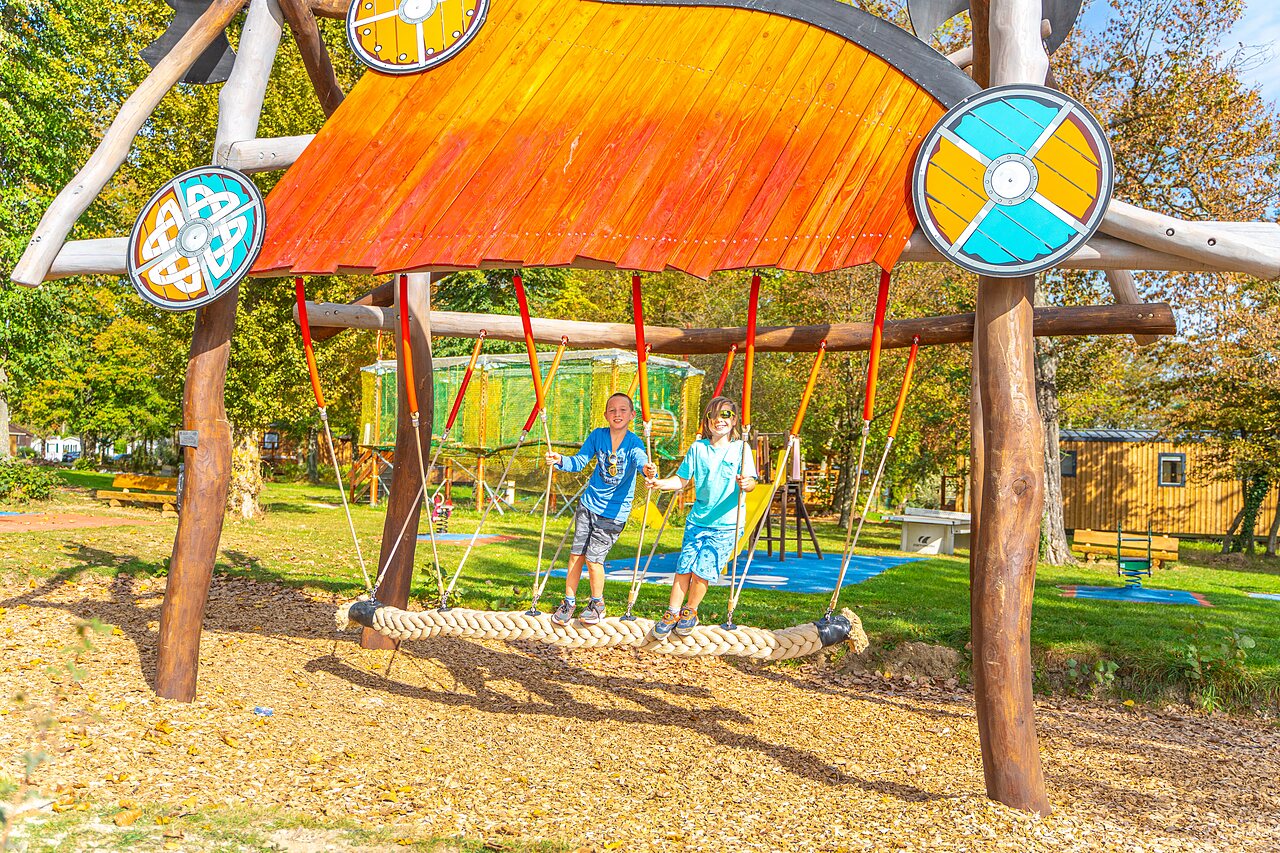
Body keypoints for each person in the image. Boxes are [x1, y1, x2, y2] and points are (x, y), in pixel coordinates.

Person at [643, 396, 756, 638]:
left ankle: (690, 611)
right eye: (714, 415)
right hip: (697, 520)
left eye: (726, 415)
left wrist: (746, 483)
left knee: (703, 570)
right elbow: (682, 480)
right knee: (684, 566)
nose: (720, 420)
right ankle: (672, 611)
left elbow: (751, 481)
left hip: (726, 523)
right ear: (707, 421)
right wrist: (660, 483)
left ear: (734, 420)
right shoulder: (698, 448)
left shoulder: (741, 449)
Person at [545, 393, 649, 626]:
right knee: (576, 555)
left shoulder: (634, 443)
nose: (617, 414)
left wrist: (647, 470)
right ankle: (569, 601)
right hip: (589, 505)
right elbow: (579, 462)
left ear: (632, 415)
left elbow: (640, 460)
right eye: (612, 410)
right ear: (605, 415)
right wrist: (560, 459)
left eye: (623, 410)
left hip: (613, 513)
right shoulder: (597, 436)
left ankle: (597, 603)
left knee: (594, 559)